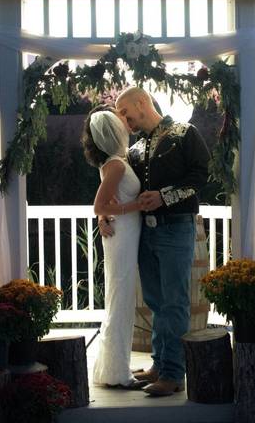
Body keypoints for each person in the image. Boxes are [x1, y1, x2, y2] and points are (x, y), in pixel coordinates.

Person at [115, 86, 210, 397]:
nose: (124, 120)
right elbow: (122, 187)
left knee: (174, 303)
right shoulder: (136, 148)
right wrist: (106, 213)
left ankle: (173, 373)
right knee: (156, 302)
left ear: (142, 102)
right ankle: (159, 364)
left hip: (176, 228)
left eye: (126, 113)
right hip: (148, 232)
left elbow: (199, 178)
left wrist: (164, 197)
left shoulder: (185, 133)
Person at [81, 104, 148, 389]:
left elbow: (106, 206)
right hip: (122, 235)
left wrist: (108, 215)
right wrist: (136, 205)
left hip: (124, 233)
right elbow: (99, 204)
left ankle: (113, 367)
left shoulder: (114, 161)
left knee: (118, 299)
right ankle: (118, 372)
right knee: (121, 300)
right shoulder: (117, 164)